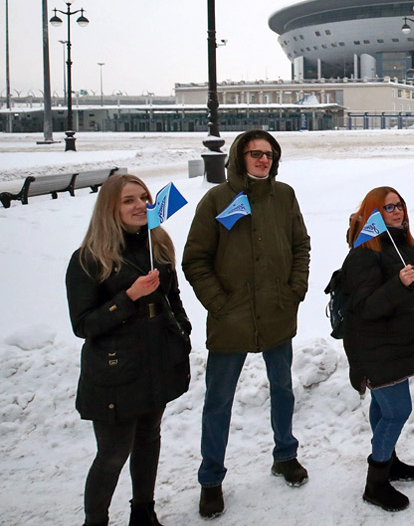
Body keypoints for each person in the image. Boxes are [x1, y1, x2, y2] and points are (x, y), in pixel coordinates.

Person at [183, 130, 311, 519]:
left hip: (276, 312)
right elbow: (195, 259)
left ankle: (285, 454)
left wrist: (295, 290)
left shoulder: (284, 195)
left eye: (269, 154)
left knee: (283, 390)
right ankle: (211, 479)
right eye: (255, 153)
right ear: (239, 157)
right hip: (231, 320)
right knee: (218, 402)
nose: (263, 160)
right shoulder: (218, 199)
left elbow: (300, 246)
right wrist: (219, 302)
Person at [66, 174, 191, 526]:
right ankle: (96, 522)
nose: (140, 206)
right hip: (115, 370)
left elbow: (172, 297)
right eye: (128, 200)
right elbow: (84, 325)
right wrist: (129, 297)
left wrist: (182, 330)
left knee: (149, 439)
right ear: (110, 209)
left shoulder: (158, 245)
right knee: (113, 452)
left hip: (157, 359)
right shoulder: (88, 258)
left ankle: (143, 512)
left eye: (144, 198)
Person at [340, 187, 414, 511]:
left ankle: (389, 459)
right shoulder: (363, 253)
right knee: (398, 410)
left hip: (398, 343)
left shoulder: (404, 242)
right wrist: (398, 283)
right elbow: (365, 306)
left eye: (400, 206)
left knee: (384, 408)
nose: (397, 212)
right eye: (388, 207)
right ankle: (376, 481)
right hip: (373, 346)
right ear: (373, 214)